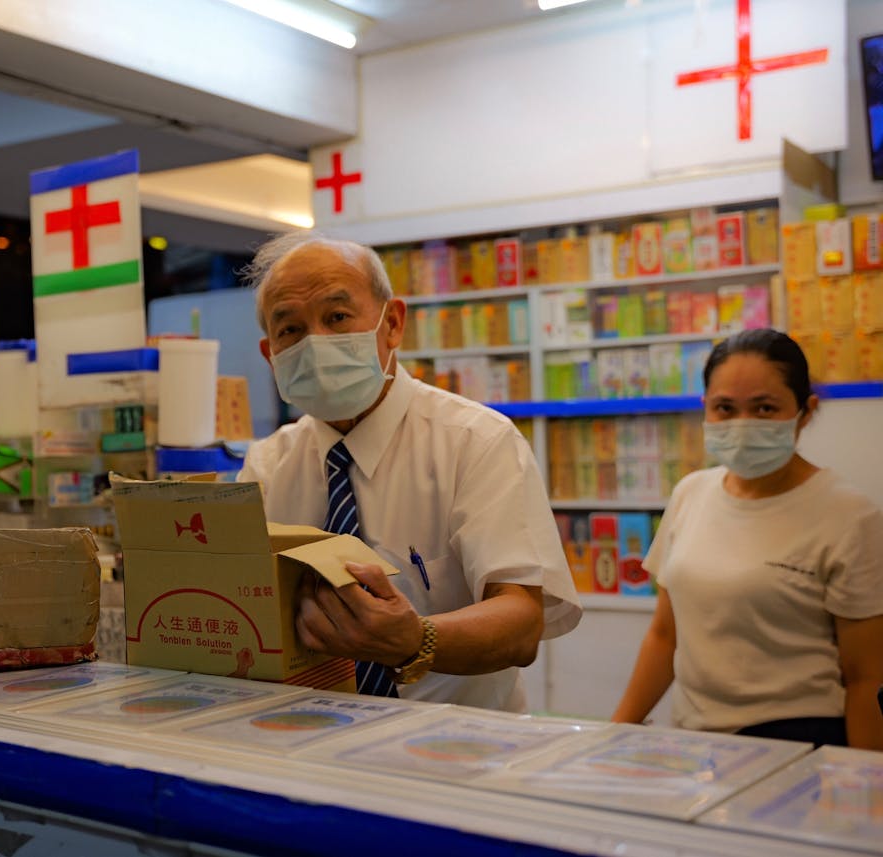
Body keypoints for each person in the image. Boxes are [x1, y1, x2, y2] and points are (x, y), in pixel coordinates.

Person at [237, 230, 581, 710]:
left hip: (454, 750)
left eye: (337, 317)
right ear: (269, 353)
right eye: (290, 330)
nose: (315, 343)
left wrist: (414, 639)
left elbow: (522, 623)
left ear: (392, 324)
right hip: (306, 741)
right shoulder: (267, 466)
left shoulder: (475, 441)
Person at [613, 329, 883, 749]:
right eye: (725, 408)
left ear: (805, 412)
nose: (743, 425)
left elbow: (867, 677)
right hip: (697, 742)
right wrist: (614, 732)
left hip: (799, 742)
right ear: (706, 410)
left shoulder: (850, 515)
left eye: (764, 408)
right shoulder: (690, 493)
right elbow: (665, 636)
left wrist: (867, 786)